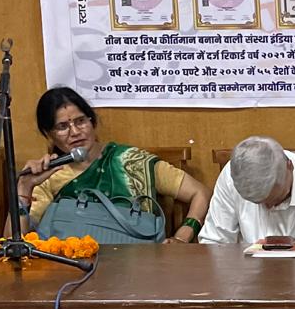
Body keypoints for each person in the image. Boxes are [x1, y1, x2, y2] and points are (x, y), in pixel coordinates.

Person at [17, 87, 210, 242]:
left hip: (138, 264)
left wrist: (183, 235)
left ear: (92, 122)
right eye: (62, 127)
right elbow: (13, 241)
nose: (75, 132)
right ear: (49, 134)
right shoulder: (50, 175)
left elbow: (200, 193)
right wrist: (24, 189)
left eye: (80, 121)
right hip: (70, 268)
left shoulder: (130, 160)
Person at [199, 136, 295, 244]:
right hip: (244, 273)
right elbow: (214, 241)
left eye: (276, 200)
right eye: (258, 203)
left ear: (289, 166)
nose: (268, 207)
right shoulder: (230, 176)